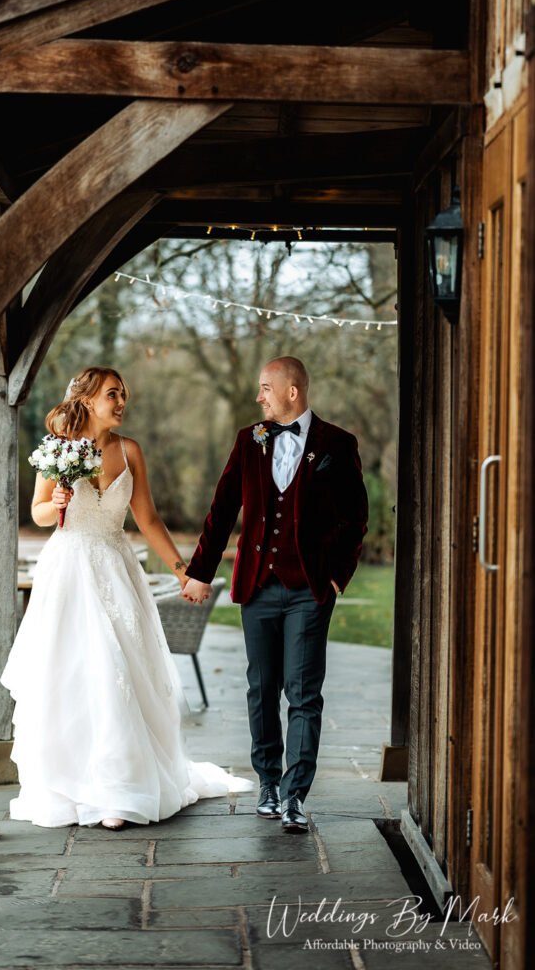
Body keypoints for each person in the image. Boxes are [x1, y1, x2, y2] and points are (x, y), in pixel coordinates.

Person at [1, 366, 252, 831]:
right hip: (68, 571)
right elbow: (36, 512)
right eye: (113, 395)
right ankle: (70, 784)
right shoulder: (57, 444)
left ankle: (119, 789)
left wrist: (184, 570)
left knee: (119, 672)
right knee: (73, 674)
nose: (121, 403)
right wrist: (52, 504)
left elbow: (149, 520)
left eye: (124, 396)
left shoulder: (129, 450)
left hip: (116, 568)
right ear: (88, 398)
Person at [182, 356, 368, 834]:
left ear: (292, 391)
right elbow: (222, 509)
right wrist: (201, 571)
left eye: (266, 387)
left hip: (309, 587)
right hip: (258, 587)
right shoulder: (250, 440)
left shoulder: (337, 444)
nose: (259, 396)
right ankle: (267, 783)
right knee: (261, 689)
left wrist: (333, 578)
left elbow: (355, 519)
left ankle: (295, 796)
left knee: (303, 694)